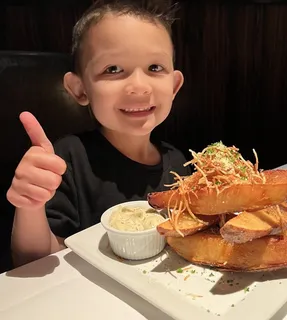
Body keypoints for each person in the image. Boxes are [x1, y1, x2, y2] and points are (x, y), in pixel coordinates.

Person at [6, 1, 189, 267]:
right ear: (80, 89)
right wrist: (30, 205)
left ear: (174, 85)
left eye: (154, 68)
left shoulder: (179, 163)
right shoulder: (66, 158)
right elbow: (33, 260)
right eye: (113, 69)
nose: (139, 87)